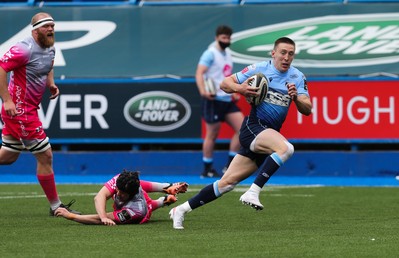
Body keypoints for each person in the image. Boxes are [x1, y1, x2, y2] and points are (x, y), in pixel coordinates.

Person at [170, 37, 313, 229]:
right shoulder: (259, 68)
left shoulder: (297, 77)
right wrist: (241, 88)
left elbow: (307, 108)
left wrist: (296, 99)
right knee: (286, 148)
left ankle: (181, 210)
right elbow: (225, 84)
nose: (286, 57)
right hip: (253, 127)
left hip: (268, 135)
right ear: (273, 53)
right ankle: (253, 191)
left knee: (227, 183)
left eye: (290, 54)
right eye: (283, 52)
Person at [0, 12, 79, 215]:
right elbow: (1, 68)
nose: (51, 29)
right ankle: (56, 206)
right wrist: (7, 100)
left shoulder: (49, 45)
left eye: (52, 26)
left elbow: (48, 64)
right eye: (46, 27)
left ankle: (55, 206)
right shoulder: (23, 49)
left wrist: (50, 84)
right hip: (20, 111)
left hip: (28, 108)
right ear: (35, 30)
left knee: (8, 156)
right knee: (45, 155)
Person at [195, 25, 244, 178]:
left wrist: (234, 91)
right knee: (212, 135)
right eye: (223, 38)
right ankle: (207, 168)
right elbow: (199, 73)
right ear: (217, 38)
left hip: (227, 98)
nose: (226, 40)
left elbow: (227, 76)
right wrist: (203, 92)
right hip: (213, 99)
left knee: (243, 129)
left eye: (228, 38)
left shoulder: (228, 54)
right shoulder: (210, 54)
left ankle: (230, 166)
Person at [55, 170, 189, 225]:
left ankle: (162, 201)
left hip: (142, 211)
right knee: (140, 185)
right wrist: (103, 217)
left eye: (121, 193)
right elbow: (99, 197)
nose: (117, 193)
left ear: (131, 194)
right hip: (137, 194)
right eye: (117, 190)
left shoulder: (136, 210)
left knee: (149, 206)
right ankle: (168, 188)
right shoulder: (121, 180)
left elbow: (98, 220)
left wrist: (72, 217)